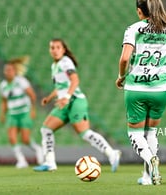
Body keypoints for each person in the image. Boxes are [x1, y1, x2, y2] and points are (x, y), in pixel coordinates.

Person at [115, 0, 166, 185]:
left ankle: (150, 159)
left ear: (139, 11)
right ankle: (147, 177)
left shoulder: (133, 29)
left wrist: (121, 77)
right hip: (161, 89)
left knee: (135, 133)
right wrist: (159, 68)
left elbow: (125, 59)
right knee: (151, 132)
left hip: (136, 87)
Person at [33, 38, 121, 172]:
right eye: (52, 48)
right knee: (46, 129)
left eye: (58, 47)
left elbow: (75, 81)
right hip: (63, 103)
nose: (55, 50)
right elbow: (60, 86)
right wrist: (49, 98)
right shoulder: (54, 66)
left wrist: (67, 97)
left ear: (63, 50)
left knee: (85, 133)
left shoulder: (66, 62)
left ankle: (111, 153)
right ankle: (50, 162)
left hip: (75, 101)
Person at [0, 56, 43, 168]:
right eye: (6, 70)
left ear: (14, 71)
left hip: (24, 112)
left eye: (10, 70)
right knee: (12, 138)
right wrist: (3, 114)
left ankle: (38, 149)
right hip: (12, 114)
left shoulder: (21, 81)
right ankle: (21, 160)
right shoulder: (3, 85)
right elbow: (4, 101)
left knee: (25, 139)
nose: (8, 72)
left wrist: (33, 110)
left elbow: (32, 95)